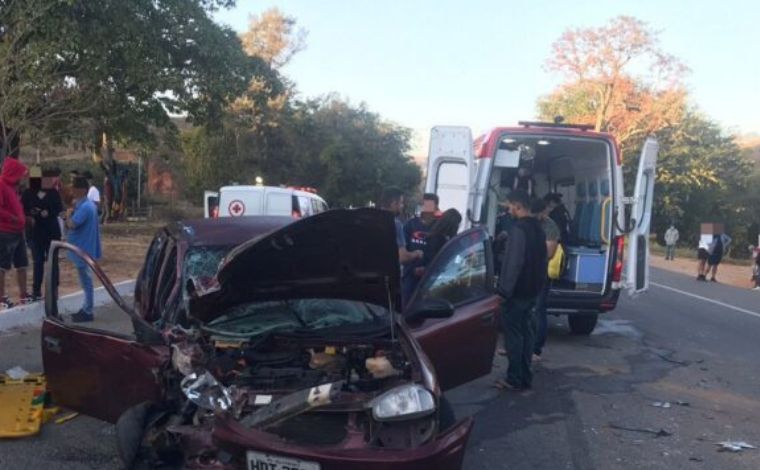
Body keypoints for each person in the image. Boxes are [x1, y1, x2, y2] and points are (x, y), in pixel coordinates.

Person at [494, 190, 547, 391]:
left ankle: (514, 378)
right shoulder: (539, 230)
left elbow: (514, 264)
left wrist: (503, 291)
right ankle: (525, 376)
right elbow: (542, 262)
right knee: (527, 335)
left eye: (509, 206)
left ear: (518, 206)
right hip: (532, 290)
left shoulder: (519, 230)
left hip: (516, 292)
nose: (508, 210)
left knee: (513, 336)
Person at [63, 176, 102, 322]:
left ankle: (88, 310)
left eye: (75, 188)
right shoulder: (86, 205)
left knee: (86, 281)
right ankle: (86, 308)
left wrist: (67, 216)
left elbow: (72, 224)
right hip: (84, 248)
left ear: (81, 190)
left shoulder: (85, 207)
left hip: (83, 249)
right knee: (86, 280)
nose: (72, 190)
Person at [22, 169, 64, 301]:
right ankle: (36, 291)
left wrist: (48, 212)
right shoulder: (28, 193)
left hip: (51, 232)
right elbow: (23, 210)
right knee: (38, 262)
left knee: (53, 263)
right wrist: (31, 215)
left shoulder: (52, 192)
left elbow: (59, 208)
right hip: (36, 234)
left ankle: (53, 290)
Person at [531, 198, 560, 362]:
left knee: (538, 309)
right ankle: (521, 345)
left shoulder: (550, 226)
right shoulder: (528, 222)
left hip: (541, 272)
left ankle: (536, 348)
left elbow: (549, 253)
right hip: (527, 271)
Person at [0, 158, 28, 309]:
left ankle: (24, 295)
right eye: (19, 174)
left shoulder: (12, 187)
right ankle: (1, 298)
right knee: (2, 267)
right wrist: (12, 217)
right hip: (5, 232)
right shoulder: (1, 185)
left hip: (18, 231)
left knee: (22, 264)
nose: (21, 178)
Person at [401, 193, 439, 305]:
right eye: (424, 204)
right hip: (410, 277)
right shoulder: (410, 225)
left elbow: (441, 253)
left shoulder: (439, 227)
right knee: (406, 307)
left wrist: (427, 269)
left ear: (436, 207)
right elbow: (403, 251)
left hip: (431, 280)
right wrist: (412, 269)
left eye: (430, 205)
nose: (426, 208)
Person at [379, 188, 423, 266]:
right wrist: (416, 253)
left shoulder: (369, 220)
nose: (402, 206)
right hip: (386, 274)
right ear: (394, 204)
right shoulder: (395, 224)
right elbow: (402, 257)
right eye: (401, 203)